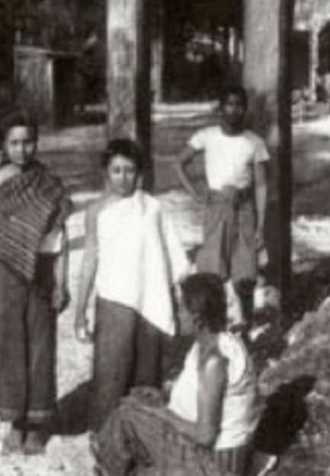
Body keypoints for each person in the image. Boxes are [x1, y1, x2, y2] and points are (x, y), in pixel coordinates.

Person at [92, 273, 263, 476]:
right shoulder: (219, 342)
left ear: (198, 318)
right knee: (133, 406)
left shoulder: (213, 361)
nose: (177, 314)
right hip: (216, 455)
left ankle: (108, 467)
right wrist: (162, 399)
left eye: (181, 308)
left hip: (216, 465)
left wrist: (159, 411)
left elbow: (205, 435)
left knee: (127, 416)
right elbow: (206, 402)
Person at [74, 138, 190, 431]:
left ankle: (143, 439)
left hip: (149, 300)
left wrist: (178, 300)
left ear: (139, 173)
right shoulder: (96, 212)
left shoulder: (152, 208)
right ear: (105, 172)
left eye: (129, 170)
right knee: (110, 374)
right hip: (113, 301)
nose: (122, 178)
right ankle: (105, 440)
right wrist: (80, 311)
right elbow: (89, 260)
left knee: (146, 374)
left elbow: (171, 253)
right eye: (116, 170)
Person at [0, 110, 73, 455]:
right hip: (5, 273)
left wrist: (62, 281)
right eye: (15, 143)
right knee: (10, 345)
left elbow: (61, 235)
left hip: (42, 273)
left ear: (37, 142)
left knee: (40, 345)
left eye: (28, 141)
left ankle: (37, 423)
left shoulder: (48, 182)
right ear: (4, 145)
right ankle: (15, 421)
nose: (22, 149)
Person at [175, 86, 269, 328]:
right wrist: (196, 192)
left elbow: (261, 185)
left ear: (245, 109)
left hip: (244, 209)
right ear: (221, 107)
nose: (234, 110)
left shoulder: (254, 142)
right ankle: (214, 328)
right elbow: (179, 163)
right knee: (212, 272)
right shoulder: (207, 135)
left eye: (239, 105)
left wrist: (260, 226)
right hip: (217, 209)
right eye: (229, 104)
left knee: (245, 274)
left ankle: (246, 326)